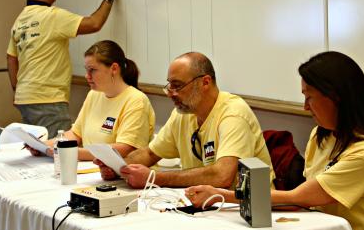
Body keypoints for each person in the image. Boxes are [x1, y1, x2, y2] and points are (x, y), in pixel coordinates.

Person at [186, 51, 364, 230]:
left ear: (335, 97)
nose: (305, 107)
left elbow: (298, 197)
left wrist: (220, 195)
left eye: (309, 97)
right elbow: (305, 202)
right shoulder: (321, 136)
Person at [96, 52, 275, 189]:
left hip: (244, 210)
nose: (170, 93)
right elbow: (150, 154)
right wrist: (119, 166)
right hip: (204, 205)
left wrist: (154, 178)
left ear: (205, 82)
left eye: (178, 86)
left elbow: (222, 176)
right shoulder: (183, 114)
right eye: (169, 86)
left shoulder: (233, 113)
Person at [7, 0, 116, 138]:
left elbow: (11, 57)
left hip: (25, 98)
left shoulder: (20, 20)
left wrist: (18, 89)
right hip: (47, 98)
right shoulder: (52, 16)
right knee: (60, 152)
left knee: (40, 149)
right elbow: (94, 24)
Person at [27, 40, 155, 160]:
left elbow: (124, 149)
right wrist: (42, 145)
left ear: (114, 69)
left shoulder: (136, 101)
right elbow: (75, 134)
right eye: (86, 70)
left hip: (120, 177)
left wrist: (68, 151)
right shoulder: (94, 94)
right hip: (91, 171)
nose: (87, 76)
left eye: (92, 70)